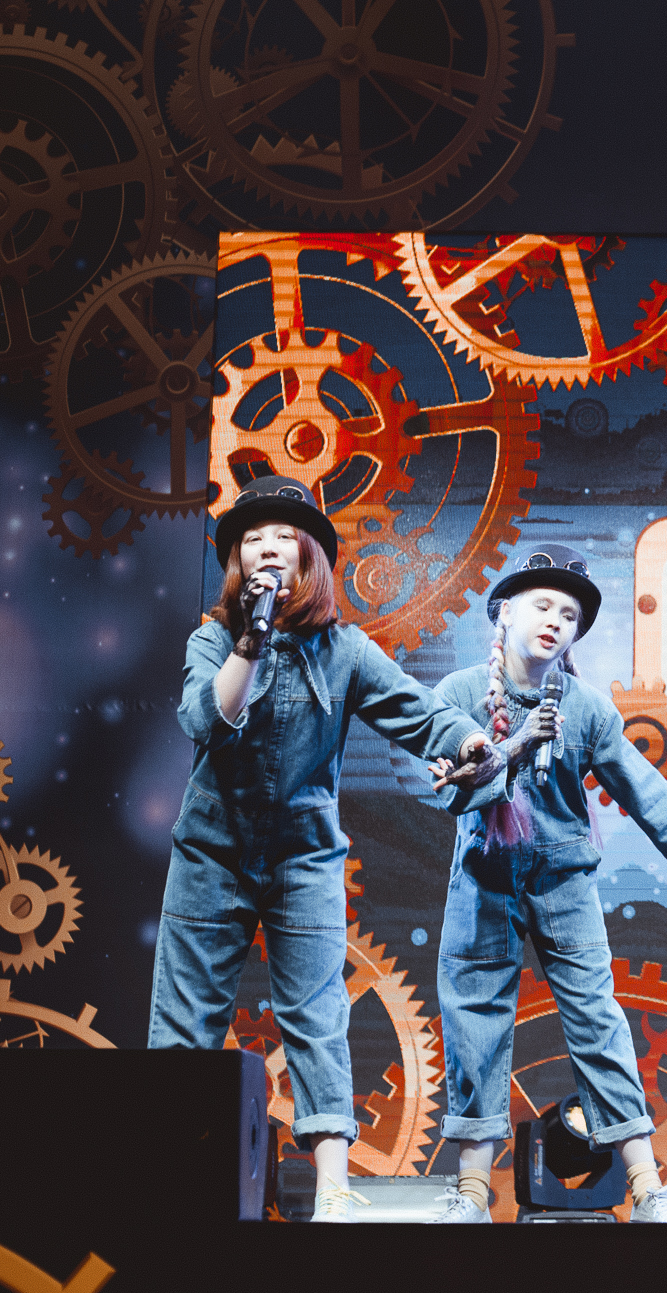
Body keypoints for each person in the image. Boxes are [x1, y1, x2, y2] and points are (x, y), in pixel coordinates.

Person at [152, 477, 510, 1222]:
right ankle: (172, 1184)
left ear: (309, 556)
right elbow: (205, 719)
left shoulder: (344, 650)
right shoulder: (212, 639)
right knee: (186, 1022)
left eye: (282, 536)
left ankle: (333, 1191)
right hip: (211, 855)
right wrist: (250, 641)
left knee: (317, 1017)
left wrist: (470, 742)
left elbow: (421, 714)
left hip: (304, 859)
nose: (266, 548)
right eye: (251, 539)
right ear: (236, 562)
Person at [422, 544, 667, 1224]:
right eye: (543, 606)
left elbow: (641, 785)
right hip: (483, 878)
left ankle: (648, 1189)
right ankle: (471, 1193)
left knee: (598, 1022)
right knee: (473, 1024)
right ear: (505, 612)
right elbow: (448, 788)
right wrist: (515, 745)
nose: (556, 621)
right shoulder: (459, 694)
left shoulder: (583, 707)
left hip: (563, 881)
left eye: (570, 615)